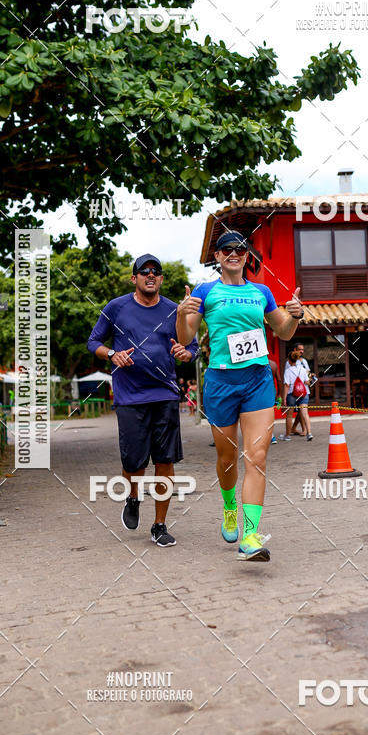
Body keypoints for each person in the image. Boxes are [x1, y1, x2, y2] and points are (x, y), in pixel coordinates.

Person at [176, 230, 304, 562]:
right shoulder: (206, 292)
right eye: (227, 249)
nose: (234, 253)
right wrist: (181, 313)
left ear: (247, 257)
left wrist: (296, 316)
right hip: (220, 381)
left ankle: (250, 535)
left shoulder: (261, 292)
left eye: (241, 249)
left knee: (257, 457)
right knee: (227, 458)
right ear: (217, 257)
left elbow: (283, 331)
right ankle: (229, 505)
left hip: (258, 379)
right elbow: (187, 335)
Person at [87, 253, 198, 545]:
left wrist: (186, 353)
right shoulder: (116, 308)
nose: (151, 275)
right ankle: (133, 498)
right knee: (134, 462)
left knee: (165, 460)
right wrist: (113, 354)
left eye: (156, 271)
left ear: (161, 279)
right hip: (130, 396)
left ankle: (160, 525)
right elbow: (93, 342)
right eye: (144, 271)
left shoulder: (175, 310)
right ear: (134, 277)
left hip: (165, 394)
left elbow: (192, 347)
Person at [281, 348, 313, 440]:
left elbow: (286, 385)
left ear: (289, 360)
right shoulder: (302, 369)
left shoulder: (287, 371)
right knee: (305, 413)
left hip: (292, 394)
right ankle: (309, 433)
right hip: (303, 393)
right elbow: (307, 382)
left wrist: (284, 398)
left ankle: (287, 436)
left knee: (289, 415)